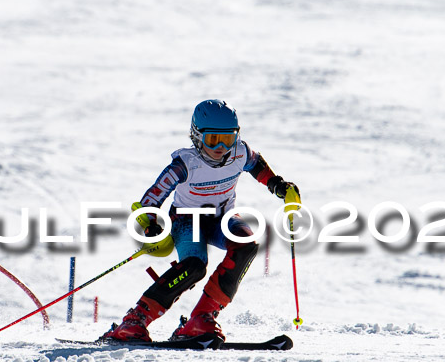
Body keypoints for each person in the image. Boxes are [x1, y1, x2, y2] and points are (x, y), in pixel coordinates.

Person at [102, 99, 299, 342]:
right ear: (197, 136)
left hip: (222, 217)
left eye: (228, 139)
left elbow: (257, 165)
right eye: (212, 139)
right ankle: (135, 320)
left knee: (247, 243)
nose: (220, 147)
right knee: (195, 266)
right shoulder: (185, 164)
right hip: (187, 220)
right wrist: (151, 225)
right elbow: (151, 198)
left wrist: (278, 185)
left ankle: (202, 318)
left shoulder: (240, 152)